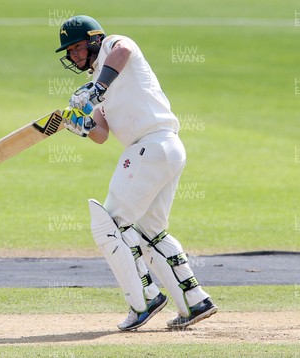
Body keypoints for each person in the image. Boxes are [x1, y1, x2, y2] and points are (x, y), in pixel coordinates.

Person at [55, 15, 217, 331]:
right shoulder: (104, 92)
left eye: (75, 47)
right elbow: (101, 133)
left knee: (110, 225)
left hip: (152, 147)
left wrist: (94, 87)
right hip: (165, 151)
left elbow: (125, 49)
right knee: (150, 231)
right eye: (69, 52)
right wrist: (83, 124)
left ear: (93, 40)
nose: (73, 56)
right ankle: (194, 300)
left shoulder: (114, 46)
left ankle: (144, 299)